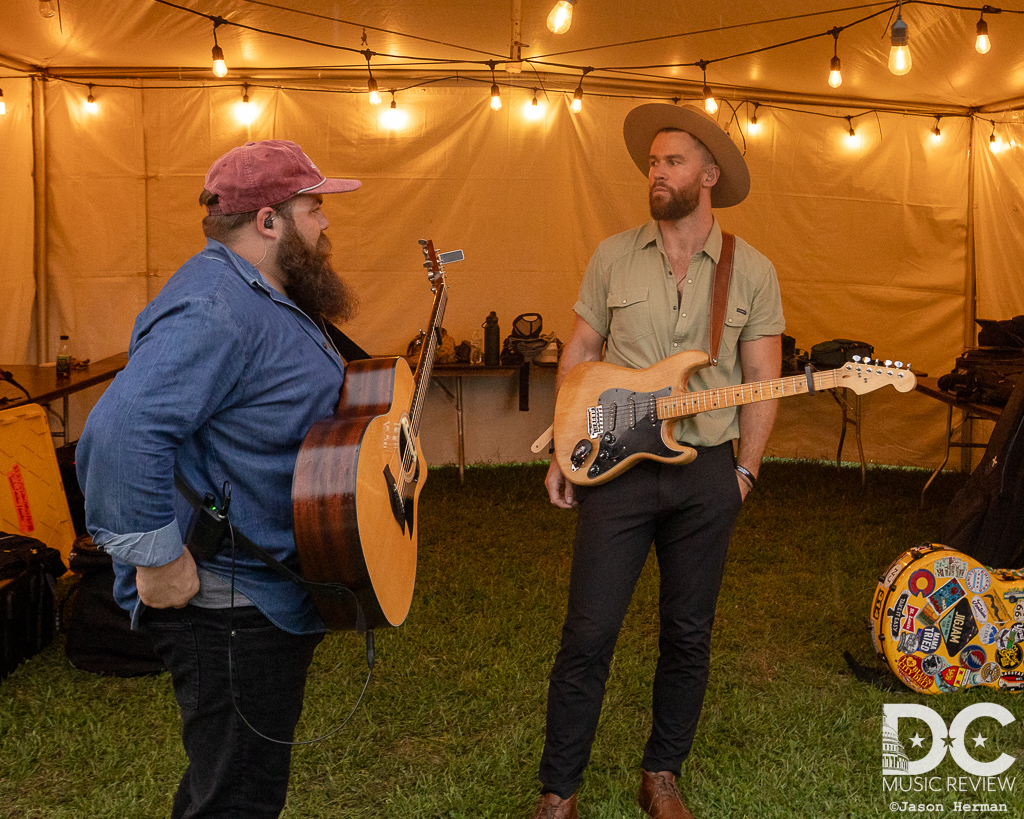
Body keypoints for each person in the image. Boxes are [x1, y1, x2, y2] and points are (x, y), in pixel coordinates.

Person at [76, 139, 362, 819]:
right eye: (314, 209)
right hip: (229, 606)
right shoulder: (215, 307)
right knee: (236, 798)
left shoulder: (261, 294)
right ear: (269, 222)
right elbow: (119, 432)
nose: (326, 226)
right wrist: (155, 556)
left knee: (234, 788)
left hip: (267, 594)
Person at [532, 104, 785, 819]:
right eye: (652, 162)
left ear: (708, 176)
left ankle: (662, 773)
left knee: (688, 631)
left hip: (707, 468)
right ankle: (559, 789)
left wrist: (745, 471)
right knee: (589, 630)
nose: (658, 172)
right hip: (617, 466)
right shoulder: (614, 254)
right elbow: (580, 353)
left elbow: (763, 379)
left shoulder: (751, 269)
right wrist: (564, 442)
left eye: (672, 161)